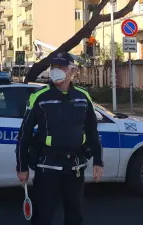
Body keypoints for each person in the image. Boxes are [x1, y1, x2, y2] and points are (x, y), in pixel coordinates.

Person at [16, 52, 103, 225]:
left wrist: (98, 161)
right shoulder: (39, 97)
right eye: (53, 67)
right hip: (47, 167)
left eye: (61, 67)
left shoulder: (83, 97)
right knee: (43, 217)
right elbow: (24, 135)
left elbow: (93, 131)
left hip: (75, 168)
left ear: (72, 71)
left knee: (74, 216)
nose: (56, 71)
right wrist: (22, 167)